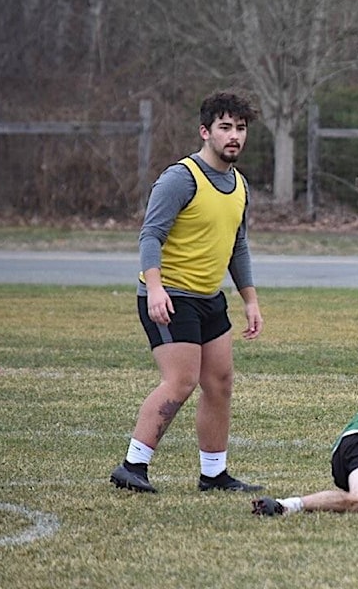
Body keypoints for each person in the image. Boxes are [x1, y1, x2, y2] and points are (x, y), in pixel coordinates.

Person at [110, 91, 265, 494]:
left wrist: (249, 299)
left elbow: (238, 245)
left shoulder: (239, 185)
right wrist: (156, 288)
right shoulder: (181, 177)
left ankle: (213, 474)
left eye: (241, 128)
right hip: (169, 296)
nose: (234, 136)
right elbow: (150, 235)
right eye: (225, 127)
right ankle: (132, 466)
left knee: (220, 382)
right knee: (180, 382)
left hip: (209, 298)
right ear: (205, 131)